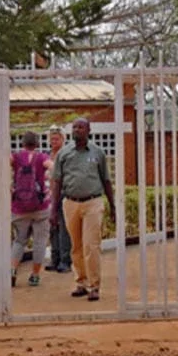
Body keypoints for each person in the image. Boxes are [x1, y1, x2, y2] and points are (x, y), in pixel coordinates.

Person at [49, 117, 116, 302]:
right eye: (75, 127)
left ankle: (94, 286)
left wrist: (113, 206)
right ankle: (81, 282)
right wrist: (53, 210)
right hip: (70, 203)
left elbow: (106, 180)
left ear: (89, 130)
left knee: (91, 245)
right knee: (76, 246)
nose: (77, 129)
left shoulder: (98, 153)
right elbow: (57, 182)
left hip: (93, 203)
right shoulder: (64, 154)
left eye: (81, 127)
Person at [9, 131, 52, 287]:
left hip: (19, 207)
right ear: (37, 143)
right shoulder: (42, 157)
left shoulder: (15, 157)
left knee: (19, 240)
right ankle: (34, 275)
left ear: (22, 143)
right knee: (39, 242)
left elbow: (2, 164)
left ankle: (12, 269)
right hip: (40, 206)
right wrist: (48, 184)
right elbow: (52, 168)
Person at [45, 125, 72, 273]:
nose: (53, 141)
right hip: (48, 195)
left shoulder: (66, 155)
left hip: (62, 194)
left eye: (57, 138)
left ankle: (65, 260)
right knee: (52, 227)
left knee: (63, 228)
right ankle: (54, 259)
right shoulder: (48, 155)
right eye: (52, 138)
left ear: (63, 139)